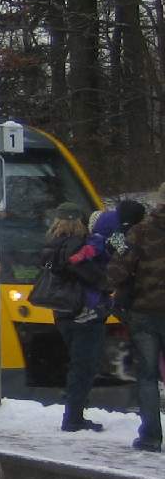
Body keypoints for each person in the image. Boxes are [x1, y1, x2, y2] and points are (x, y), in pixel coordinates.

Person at [40, 204, 108, 432]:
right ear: (79, 221)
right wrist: (107, 285)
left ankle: (74, 411)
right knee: (84, 366)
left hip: (61, 311)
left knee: (76, 363)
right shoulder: (79, 245)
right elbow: (92, 276)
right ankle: (74, 417)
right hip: (84, 312)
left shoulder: (51, 244)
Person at [107, 186, 165, 452]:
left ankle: (151, 437)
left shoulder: (141, 232)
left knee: (148, 376)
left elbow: (117, 271)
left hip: (145, 314)